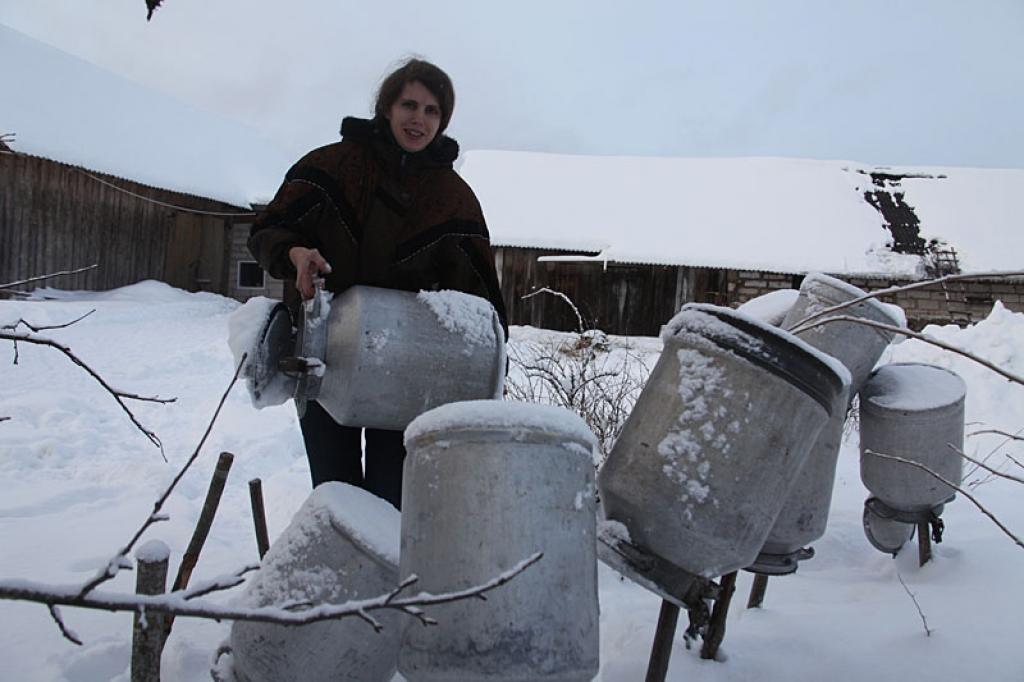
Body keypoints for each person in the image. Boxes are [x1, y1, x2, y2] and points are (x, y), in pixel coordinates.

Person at [248, 58, 508, 509]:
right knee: (336, 497)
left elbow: (483, 305)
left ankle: (383, 577)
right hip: (323, 355)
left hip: (408, 373)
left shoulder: (453, 200)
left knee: (389, 504)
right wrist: (294, 253)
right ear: (386, 107)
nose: (419, 119)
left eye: (432, 111)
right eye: (409, 104)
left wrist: (485, 368)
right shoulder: (331, 167)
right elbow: (268, 229)